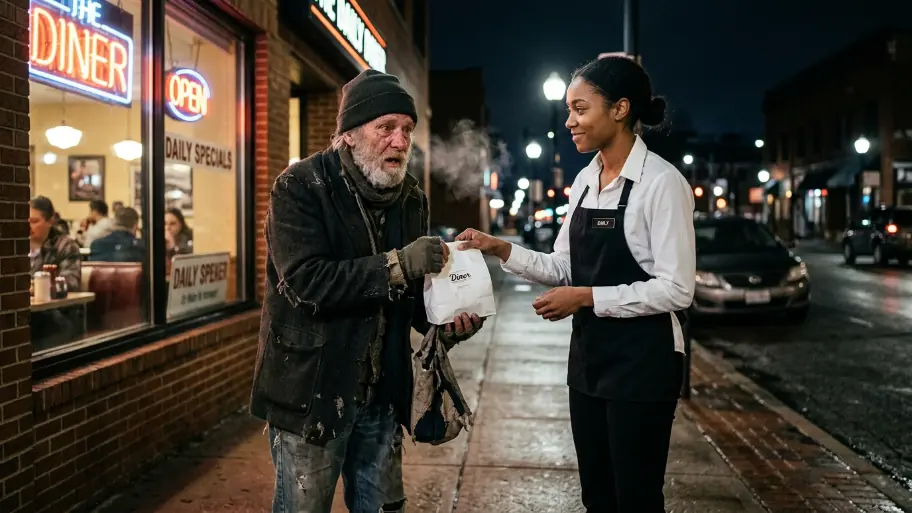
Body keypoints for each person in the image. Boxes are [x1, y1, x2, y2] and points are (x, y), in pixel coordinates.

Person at [457, 56, 696, 513]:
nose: (569, 121)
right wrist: (499, 248)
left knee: (637, 499)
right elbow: (564, 266)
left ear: (620, 109)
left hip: (644, 367)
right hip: (589, 363)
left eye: (580, 109)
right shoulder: (586, 181)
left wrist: (586, 297)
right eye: (568, 109)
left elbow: (676, 289)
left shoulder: (662, 184)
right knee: (597, 498)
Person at [249, 69, 484, 513]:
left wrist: (449, 320)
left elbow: (412, 298)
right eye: (386, 128)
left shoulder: (411, 196)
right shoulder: (300, 186)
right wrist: (398, 264)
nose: (400, 141)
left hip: (381, 395)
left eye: (407, 129)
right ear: (350, 135)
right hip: (311, 393)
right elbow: (307, 282)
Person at [29, 196, 82, 291]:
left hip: (53, 304)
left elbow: (71, 282)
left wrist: (37, 285)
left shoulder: (66, 246)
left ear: (50, 221)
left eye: (34, 221)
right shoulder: (13, 247)